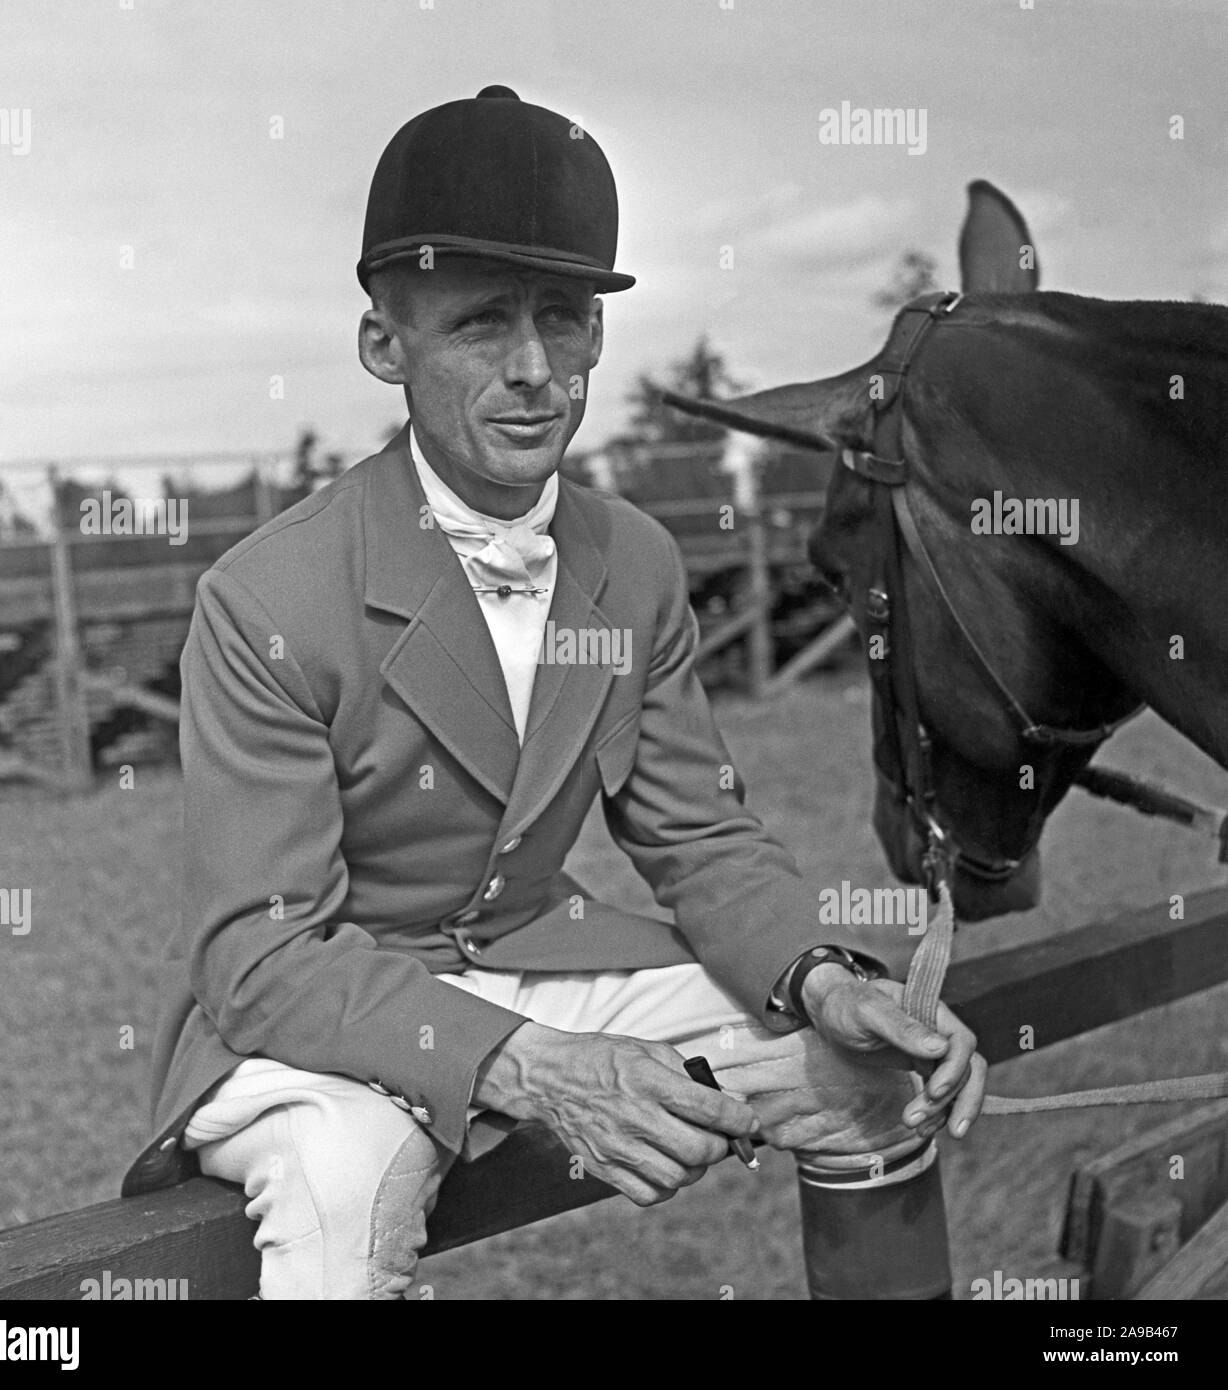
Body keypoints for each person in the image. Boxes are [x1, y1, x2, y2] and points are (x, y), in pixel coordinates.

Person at [123, 85, 985, 1300]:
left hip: (543, 953)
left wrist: (826, 979)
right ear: (385, 345)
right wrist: (531, 1066)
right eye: (481, 323)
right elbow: (262, 954)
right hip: (321, 1008)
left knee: (866, 1078)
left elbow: (697, 836)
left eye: (565, 318)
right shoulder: (263, 595)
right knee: (345, 1186)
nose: (535, 371)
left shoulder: (633, 558)